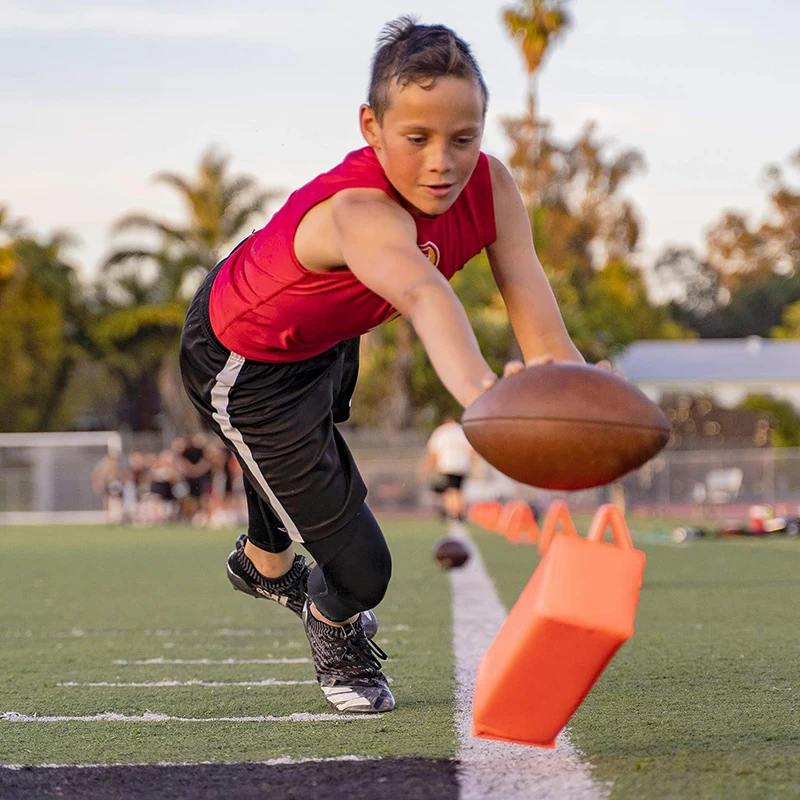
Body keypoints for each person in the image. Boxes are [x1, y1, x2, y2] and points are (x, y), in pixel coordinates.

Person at [180, 16, 591, 714]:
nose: (443, 163)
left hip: (328, 334)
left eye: (464, 139)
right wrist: (489, 400)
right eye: (418, 139)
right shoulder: (360, 211)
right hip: (245, 361)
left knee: (303, 458)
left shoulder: (492, 187)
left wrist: (581, 398)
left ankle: (261, 562)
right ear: (371, 126)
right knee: (364, 574)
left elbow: (544, 331)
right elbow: (424, 294)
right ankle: (330, 621)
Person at [422, 416, 475, 539]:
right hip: (462, 465)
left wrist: (429, 467)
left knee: (450, 491)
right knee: (457, 491)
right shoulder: (462, 432)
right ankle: (458, 513)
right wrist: (471, 465)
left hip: (447, 465)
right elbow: (471, 451)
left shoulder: (442, 432)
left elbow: (434, 451)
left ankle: (453, 514)